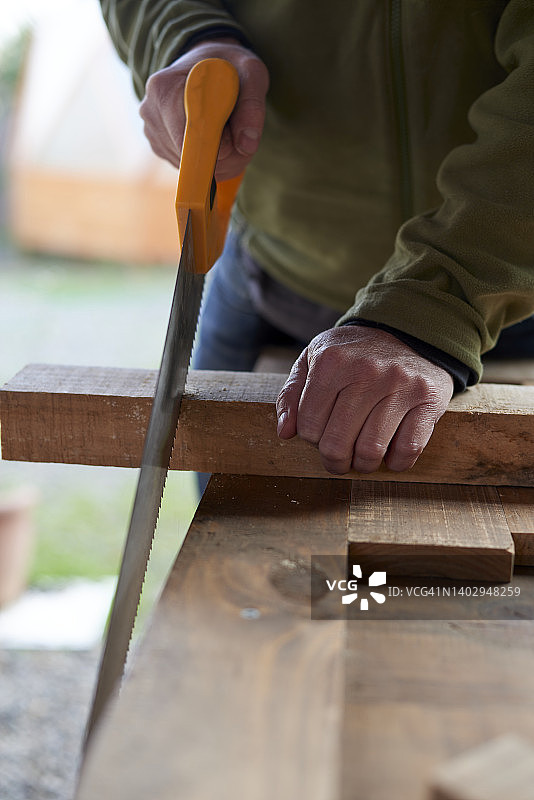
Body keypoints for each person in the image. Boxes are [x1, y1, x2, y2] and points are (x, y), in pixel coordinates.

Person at [100, 1, 534, 476]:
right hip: (269, 281)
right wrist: (187, 35)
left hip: (508, 299)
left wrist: (436, 305)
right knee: (241, 543)